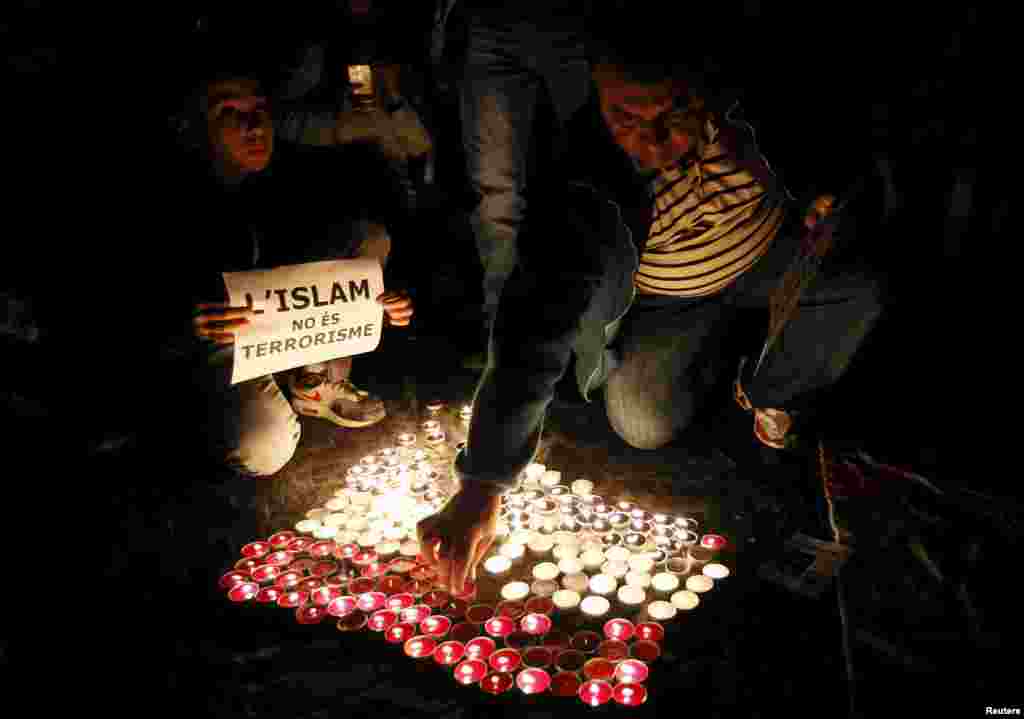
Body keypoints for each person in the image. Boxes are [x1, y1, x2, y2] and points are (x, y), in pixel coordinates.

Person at [418, 11, 886, 592]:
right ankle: (725, 351)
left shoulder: (757, 103)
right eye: (626, 118)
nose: (654, 140)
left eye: (674, 113)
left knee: (861, 282)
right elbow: (533, 326)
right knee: (641, 423)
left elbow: (841, 145)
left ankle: (772, 384)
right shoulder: (586, 183)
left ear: (706, 84)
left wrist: (825, 196)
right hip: (672, 303)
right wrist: (482, 483)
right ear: (598, 94)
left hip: (768, 260)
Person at [166, 59, 414, 478]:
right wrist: (185, 322)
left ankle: (314, 384)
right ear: (194, 128)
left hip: (270, 332)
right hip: (210, 346)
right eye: (230, 113)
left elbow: (321, 272)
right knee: (264, 446)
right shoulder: (169, 196)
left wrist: (377, 303)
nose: (255, 124)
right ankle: (187, 420)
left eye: (260, 108)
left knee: (366, 237)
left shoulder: (285, 175)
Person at [436, 0, 594, 366]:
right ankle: (505, 349)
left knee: (590, 182)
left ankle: (592, 343)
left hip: (574, 19)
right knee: (496, 194)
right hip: (491, 20)